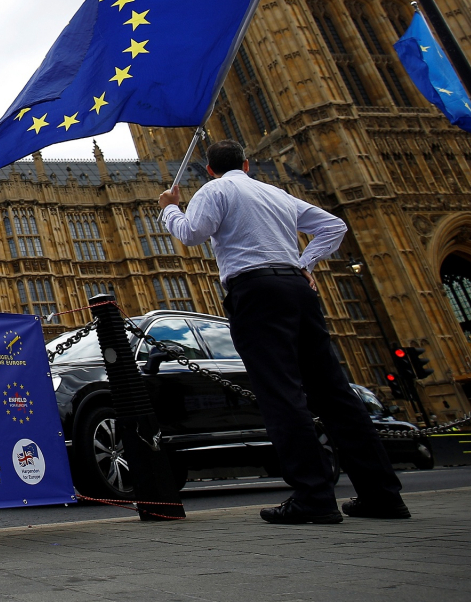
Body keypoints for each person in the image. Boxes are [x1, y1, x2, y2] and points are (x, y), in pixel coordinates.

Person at [159, 138, 408, 524]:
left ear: (210, 170)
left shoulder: (215, 189)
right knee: (336, 394)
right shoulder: (276, 193)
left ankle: (314, 498)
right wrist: (305, 264)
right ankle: (382, 495)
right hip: (297, 289)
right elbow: (333, 226)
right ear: (247, 165)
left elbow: (192, 234)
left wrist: (171, 209)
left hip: (256, 291)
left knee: (281, 393)